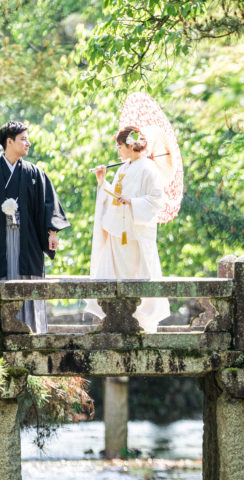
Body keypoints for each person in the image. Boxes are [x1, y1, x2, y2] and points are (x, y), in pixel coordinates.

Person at [0, 121, 70, 333]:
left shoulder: (34, 174)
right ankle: (1, 331)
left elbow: (48, 204)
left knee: (29, 283)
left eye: (27, 139)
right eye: (23, 139)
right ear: (9, 142)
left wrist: (52, 232)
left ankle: (33, 331)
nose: (28, 143)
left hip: (28, 242)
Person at [84, 126, 170, 333]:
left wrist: (131, 202)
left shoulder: (148, 168)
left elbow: (156, 200)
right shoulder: (123, 168)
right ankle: (115, 318)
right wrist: (102, 181)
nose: (118, 151)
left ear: (131, 146)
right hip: (117, 231)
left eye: (120, 146)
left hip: (135, 234)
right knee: (112, 273)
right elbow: (114, 196)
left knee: (135, 275)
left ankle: (139, 321)